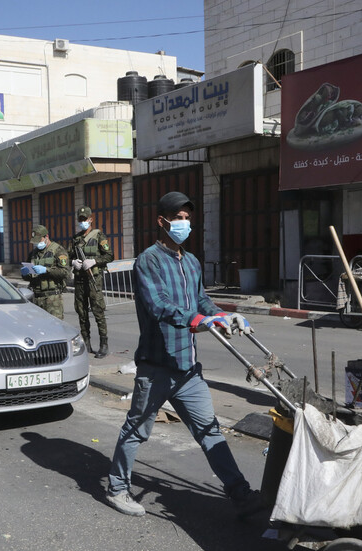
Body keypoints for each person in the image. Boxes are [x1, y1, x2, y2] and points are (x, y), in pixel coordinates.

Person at [104, 191, 260, 518]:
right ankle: (117, 488)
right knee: (137, 430)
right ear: (162, 222)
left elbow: (201, 301)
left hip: (188, 369)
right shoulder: (149, 260)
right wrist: (198, 320)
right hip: (157, 367)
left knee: (209, 432)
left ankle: (241, 495)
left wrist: (223, 316)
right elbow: (158, 305)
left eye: (188, 218)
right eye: (178, 218)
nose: (184, 223)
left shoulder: (191, 262)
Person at [70, 206, 114, 358]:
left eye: (85, 219)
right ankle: (86, 343)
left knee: (98, 312)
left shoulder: (98, 236)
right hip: (80, 280)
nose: (82, 222)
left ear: (90, 219)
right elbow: (69, 255)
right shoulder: (76, 239)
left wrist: (94, 261)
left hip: (94, 278)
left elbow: (109, 255)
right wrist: (73, 262)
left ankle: (103, 344)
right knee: (81, 312)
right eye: (80, 219)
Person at [21, 225, 70, 319]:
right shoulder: (33, 254)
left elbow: (65, 272)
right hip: (36, 298)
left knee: (56, 329)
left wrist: (46, 270)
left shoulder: (58, 251)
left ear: (46, 237)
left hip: (52, 299)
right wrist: (25, 274)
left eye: (39, 240)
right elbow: (29, 276)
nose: (37, 243)